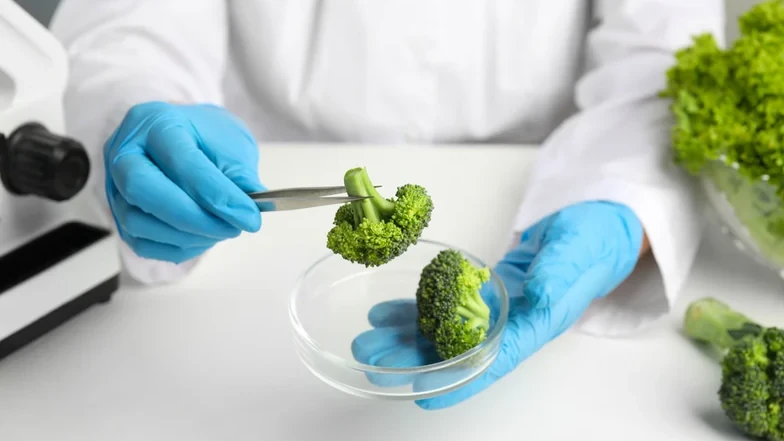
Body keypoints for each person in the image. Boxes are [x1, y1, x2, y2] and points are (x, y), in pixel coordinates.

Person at [49, 1, 724, 409]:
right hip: (246, 181)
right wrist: (135, 109)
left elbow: (664, 57)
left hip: (540, 178)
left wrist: (620, 198)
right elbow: (125, 27)